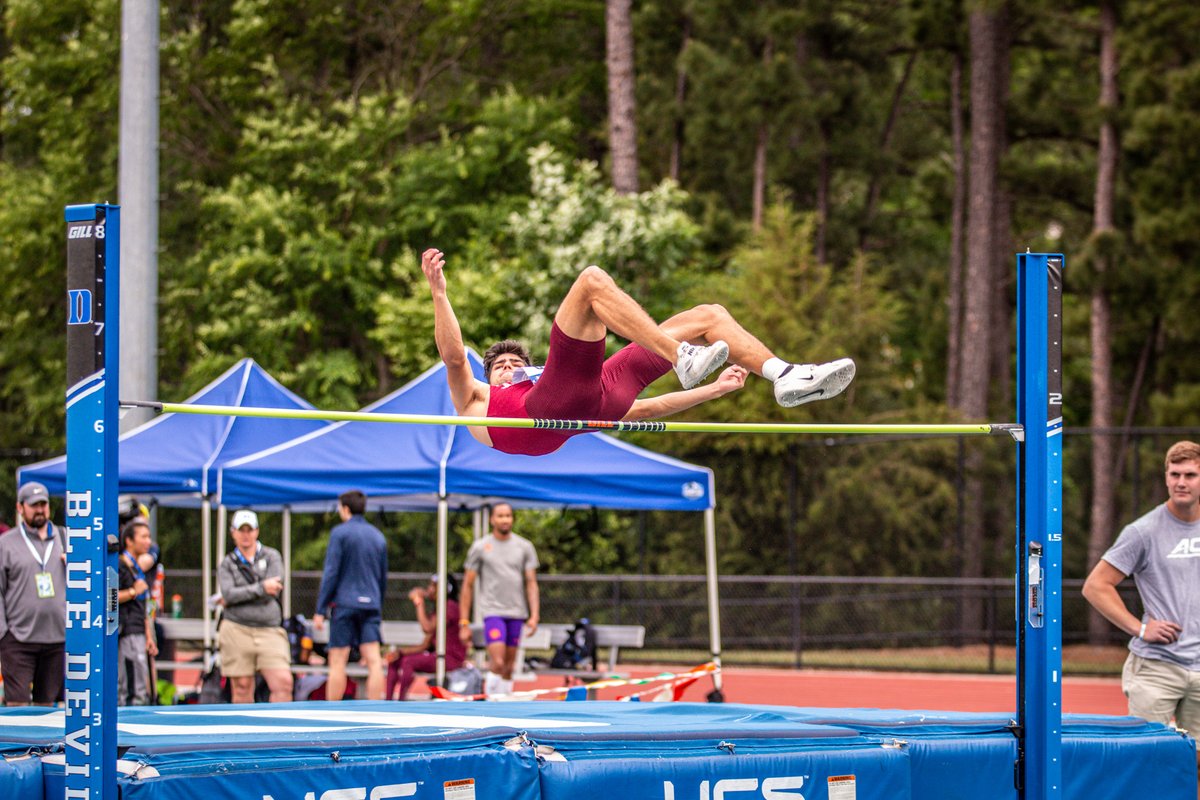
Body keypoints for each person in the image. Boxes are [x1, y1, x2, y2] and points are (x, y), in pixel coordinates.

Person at [420, 247, 855, 456]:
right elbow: (456, 357)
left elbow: (645, 409)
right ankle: (679, 354)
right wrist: (439, 293)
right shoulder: (476, 398)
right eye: (502, 367)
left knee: (709, 315)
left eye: (518, 362)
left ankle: (784, 375)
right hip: (542, 409)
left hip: (594, 397)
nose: (511, 368)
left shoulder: (552, 379)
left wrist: (716, 390)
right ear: (488, 375)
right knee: (590, 281)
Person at [1083, 440, 1200, 773]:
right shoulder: (1143, 531)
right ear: (1165, 477)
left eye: (1190, 475)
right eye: (1174, 474)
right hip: (1156, 668)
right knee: (1147, 760)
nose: (1181, 482)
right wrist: (1141, 628)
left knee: (1198, 763)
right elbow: (1095, 586)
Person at [313, 491, 388, 701]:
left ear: (345, 508)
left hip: (344, 604)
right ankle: (376, 711)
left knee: (338, 660)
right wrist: (377, 605)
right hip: (371, 604)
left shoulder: (340, 533)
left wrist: (320, 609)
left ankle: (333, 710)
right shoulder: (378, 536)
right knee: (374, 660)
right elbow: (383, 578)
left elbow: (331, 573)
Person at [459, 502, 539, 697]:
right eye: (500, 516)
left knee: (509, 666)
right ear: (492, 519)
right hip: (493, 611)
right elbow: (467, 585)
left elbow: (531, 582)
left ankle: (505, 704)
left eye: (508, 516)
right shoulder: (481, 547)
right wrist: (464, 621)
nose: (505, 519)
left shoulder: (524, 547)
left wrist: (534, 615)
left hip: (516, 612)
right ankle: (491, 700)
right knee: (498, 662)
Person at [217, 510, 294, 703]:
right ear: (232, 532)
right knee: (242, 685)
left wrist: (242, 594)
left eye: (249, 530)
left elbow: (274, 588)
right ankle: (245, 731)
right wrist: (261, 588)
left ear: (257, 531)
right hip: (237, 628)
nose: (245, 534)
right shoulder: (227, 563)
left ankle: (282, 732)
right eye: (241, 530)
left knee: (283, 682)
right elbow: (228, 594)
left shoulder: (271, 556)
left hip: (269, 629)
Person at [0, 482, 66, 705]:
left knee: (46, 707)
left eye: (43, 504)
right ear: (20, 507)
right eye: (33, 505)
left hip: (57, 637)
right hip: (18, 639)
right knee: (17, 707)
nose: (39, 510)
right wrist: (4, 633)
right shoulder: (6, 543)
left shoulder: (65, 538)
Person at [386, 573, 466, 700]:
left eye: (433, 586)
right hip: (437, 656)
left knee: (408, 662)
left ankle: (400, 702)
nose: (429, 589)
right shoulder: (439, 610)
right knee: (395, 660)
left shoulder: (449, 607)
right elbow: (426, 644)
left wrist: (419, 602)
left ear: (444, 589)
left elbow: (427, 627)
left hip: (449, 659)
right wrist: (400, 652)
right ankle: (388, 701)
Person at [117, 518, 159, 705]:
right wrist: (133, 591)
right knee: (131, 687)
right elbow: (109, 597)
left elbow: (143, 606)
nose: (148, 542)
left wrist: (149, 635)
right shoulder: (119, 565)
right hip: (126, 631)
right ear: (129, 541)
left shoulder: (137, 568)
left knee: (142, 684)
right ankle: (126, 727)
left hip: (140, 630)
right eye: (143, 537)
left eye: (149, 537)